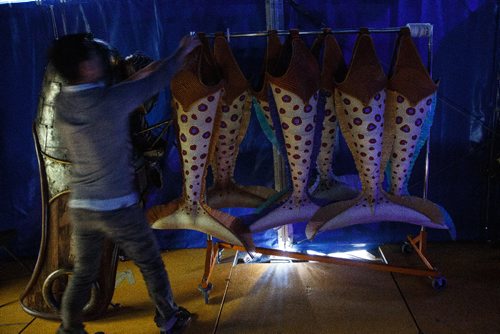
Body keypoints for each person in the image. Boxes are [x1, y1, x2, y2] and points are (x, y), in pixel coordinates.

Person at [48, 33, 200, 334]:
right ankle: (168, 318)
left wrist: (141, 74)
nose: (99, 59)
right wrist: (182, 51)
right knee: (150, 264)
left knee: (83, 274)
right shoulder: (111, 101)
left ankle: (69, 330)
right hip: (118, 207)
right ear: (85, 68)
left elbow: (109, 94)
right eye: (92, 56)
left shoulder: (63, 103)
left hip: (82, 207)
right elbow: (154, 83)